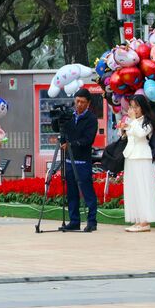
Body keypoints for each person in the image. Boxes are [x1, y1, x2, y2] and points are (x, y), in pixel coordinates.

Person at [58, 89, 98, 232]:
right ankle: (74, 221)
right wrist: (59, 122)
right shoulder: (70, 116)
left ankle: (92, 221)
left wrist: (71, 144)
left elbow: (88, 139)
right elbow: (62, 133)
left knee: (87, 193)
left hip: (82, 162)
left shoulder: (91, 119)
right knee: (72, 193)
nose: (79, 104)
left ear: (88, 103)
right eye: (77, 101)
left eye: (82, 102)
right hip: (69, 161)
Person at [120, 96, 155, 232]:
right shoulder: (132, 121)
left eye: (136, 107)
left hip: (142, 157)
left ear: (143, 107)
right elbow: (127, 136)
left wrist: (132, 121)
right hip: (130, 156)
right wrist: (123, 129)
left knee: (143, 188)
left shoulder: (148, 122)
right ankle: (138, 219)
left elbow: (140, 134)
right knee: (133, 189)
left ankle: (145, 222)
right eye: (131, 107)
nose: (133, 110)